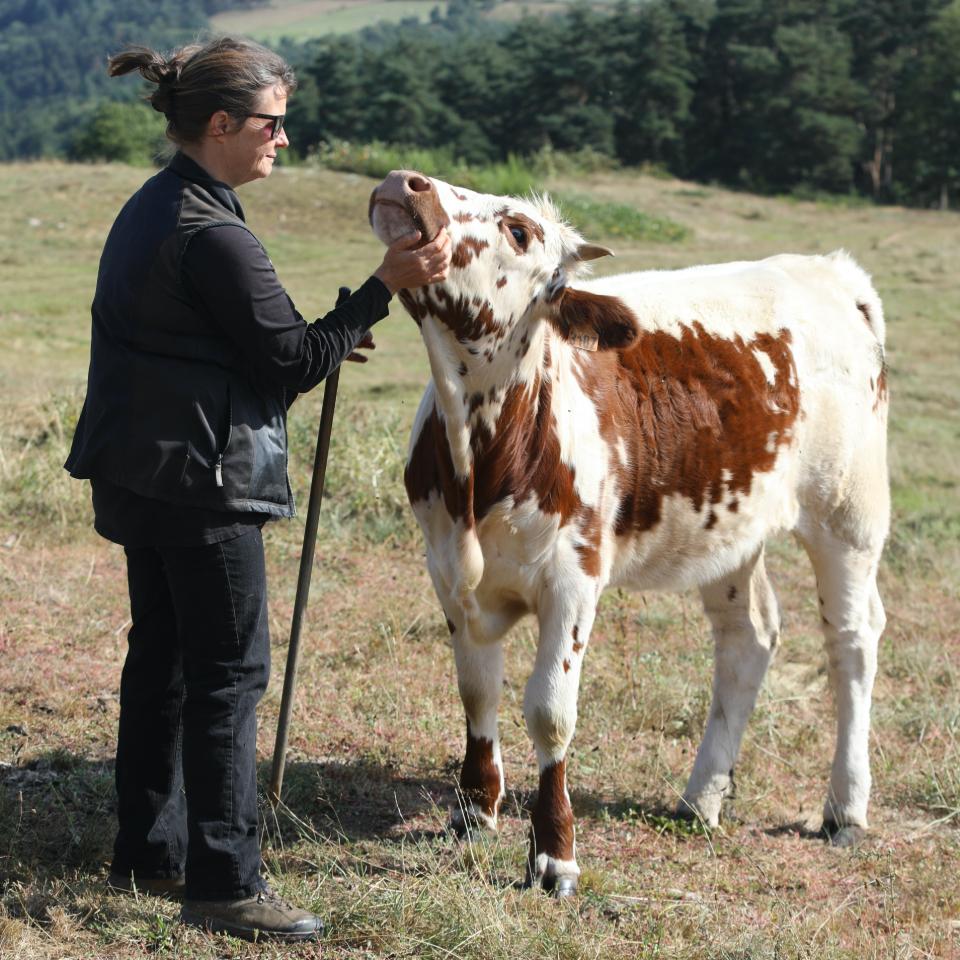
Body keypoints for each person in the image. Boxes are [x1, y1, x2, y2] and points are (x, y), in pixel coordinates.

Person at [64, 37, 451, 943]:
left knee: (160, 661)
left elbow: (223, 342)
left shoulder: (157, 205)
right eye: (272, 123)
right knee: (230, 677)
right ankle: (227, 882)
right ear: (222, 123)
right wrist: (379, 290)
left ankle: (148, 851)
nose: (284, 137)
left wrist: (317, 333)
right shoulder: (216, 231)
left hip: (142, 473)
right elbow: (285, 363)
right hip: (203, 486)